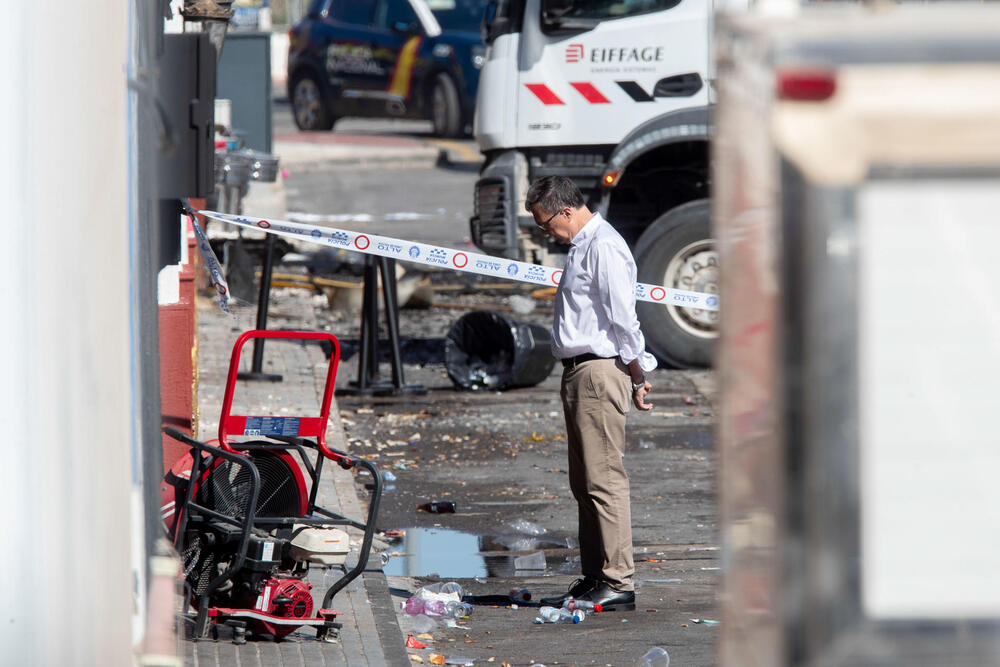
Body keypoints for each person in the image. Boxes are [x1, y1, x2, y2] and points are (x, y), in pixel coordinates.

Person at [526, 176, 656, 611]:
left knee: (604, 482)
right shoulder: (583, 245)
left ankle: (618, 581)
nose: (547, 233)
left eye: (546, 224)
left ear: (565, 211)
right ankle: (596, 575)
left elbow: (624, 318)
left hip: (599, 373)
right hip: (580, 373)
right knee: (584, 484)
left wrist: (638, 377)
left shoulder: (602, 246)